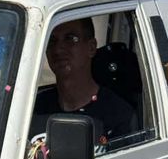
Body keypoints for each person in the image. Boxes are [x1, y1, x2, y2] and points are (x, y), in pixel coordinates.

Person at [30, 18, 135, 148]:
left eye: (70, 39)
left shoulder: (118, 115)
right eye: (52, 41)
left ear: (91, 48)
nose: (58, 50)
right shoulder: (33, 109)